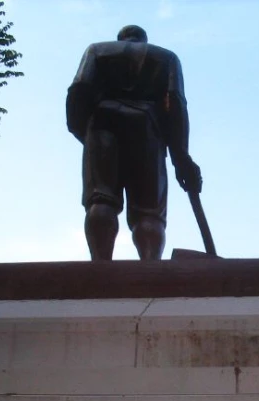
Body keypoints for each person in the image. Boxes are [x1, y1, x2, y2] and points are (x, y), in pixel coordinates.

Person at [67, 25, 202, 261]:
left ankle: (100, 267)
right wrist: (181, 156)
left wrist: (86, 134)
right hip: (147, 128)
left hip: (102, 124)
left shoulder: (97, 51)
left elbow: (79, 89)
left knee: (101, 199)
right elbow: (176, 104)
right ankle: (150, 269)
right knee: (148, 213)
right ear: (144, 39)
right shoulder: (166, 57)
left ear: (121, 38)